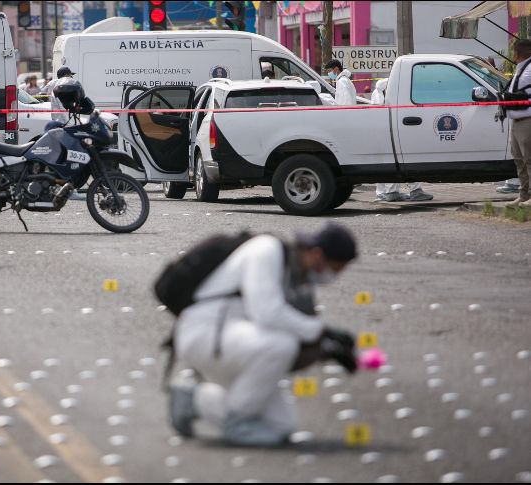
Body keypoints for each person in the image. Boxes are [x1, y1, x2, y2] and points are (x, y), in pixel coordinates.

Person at [169, 223, 358, 447]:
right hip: (206, 335)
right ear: (317, 255)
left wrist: (326, 348)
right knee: (281, 345)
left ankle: (193, 399)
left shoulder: (298, 275)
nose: (334, 276)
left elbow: (294, 327)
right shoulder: (267, 250)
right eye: (335, 268)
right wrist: (322, 331)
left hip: (237, 343)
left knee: (280, 426)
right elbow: (267, 313)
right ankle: (238, 422)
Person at [371, 78, 434, 202]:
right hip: (396, 133)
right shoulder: (393, 94)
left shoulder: (379, 95)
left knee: (388, 163)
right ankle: (411, 191)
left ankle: (387, 192)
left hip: (385, 133)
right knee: (405, 160)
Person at [505, 39, 531, 208]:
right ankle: (524, 195)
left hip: (527, 119)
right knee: (519, 159)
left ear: (518, 53)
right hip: (517, 119)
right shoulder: (521, 68)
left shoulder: (529, 68)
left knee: (529, 159)